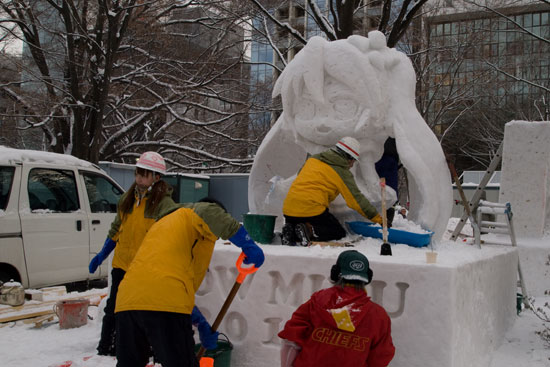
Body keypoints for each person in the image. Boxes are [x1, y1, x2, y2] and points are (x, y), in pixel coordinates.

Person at [114, 198, 265, 367]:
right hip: (164, 304)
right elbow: (210, 212)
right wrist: (247, 243)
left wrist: (200, 323)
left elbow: (165, 286)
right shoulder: (193, 212)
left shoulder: (165, 226)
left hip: (126, 303)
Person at [88, 151, 176, 356]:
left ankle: (145, 348)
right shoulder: (128, 199)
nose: (140, 179)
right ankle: (107, 348)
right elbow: (117, 228)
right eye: (138, 174)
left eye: (145, 175)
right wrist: (103, 253)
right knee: (114, 309)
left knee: (144, 311)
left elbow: (170, 237)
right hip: (122, 264)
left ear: (157, 177)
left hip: (145, 269)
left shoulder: (164, 204)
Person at [278, 250, 395, 367]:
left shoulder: (316, 303)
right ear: (367, 278)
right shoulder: (378, 316)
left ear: (335, 273)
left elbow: (291, 339)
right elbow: (381, 356)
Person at [281, 137, 383, 246]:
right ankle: (309, 230)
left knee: (298, 223)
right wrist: (378, 219)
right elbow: (356, 200)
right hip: (311, 211)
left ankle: (290, 229)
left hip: (288, 209)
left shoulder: (313, 160)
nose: (352, 165)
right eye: (353, 161)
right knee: (337, 232)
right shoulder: (341, 171)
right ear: (348, 157)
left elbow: (299, 175)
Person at [374, 137, 400, 227]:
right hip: (389, 156)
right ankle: (385, 218)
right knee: (389, 189)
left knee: (378, 186)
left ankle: (381, 217)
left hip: (377, 154)